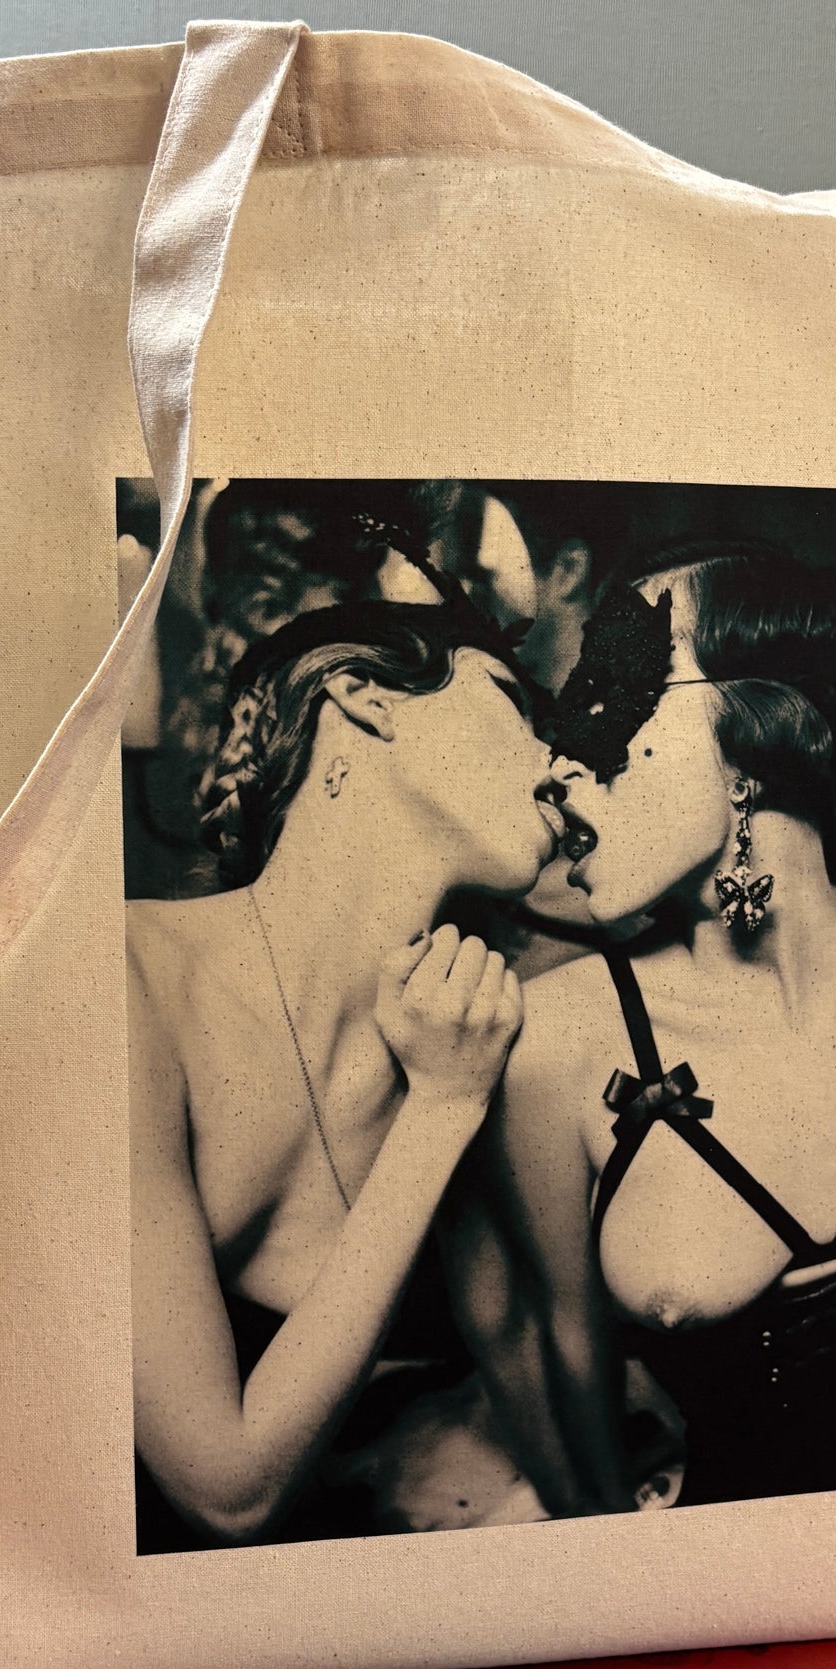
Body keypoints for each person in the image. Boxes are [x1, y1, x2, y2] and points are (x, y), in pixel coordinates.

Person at [454, 542, 836, 1517]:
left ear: (749, 735)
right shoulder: (557, 1042)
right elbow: (562, 1348)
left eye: (616, 697)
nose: (556, 772)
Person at [125, 546, 562, 1550]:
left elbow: (520, 1352)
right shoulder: (123, 976)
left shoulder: (471, 1022)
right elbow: (226, 1492)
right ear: (365, 701)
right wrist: (441, 1110)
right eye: (514, 708)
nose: (557, 764)